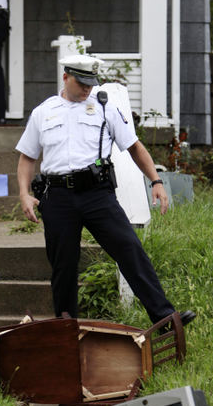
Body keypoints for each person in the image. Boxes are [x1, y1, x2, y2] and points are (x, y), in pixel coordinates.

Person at [15, 54, 197, 327]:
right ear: (65, 78)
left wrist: (156, 181)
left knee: (129, 249)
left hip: (96, 195)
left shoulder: (104, 108)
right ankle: (65, 329)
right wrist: (24, 193)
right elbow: (27, 157)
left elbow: (135, 147)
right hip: (58, 196)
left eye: (91, 82)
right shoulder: (44, 112)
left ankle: (165, 319)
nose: (88, 88)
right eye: (81, 82)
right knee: (63, 265)